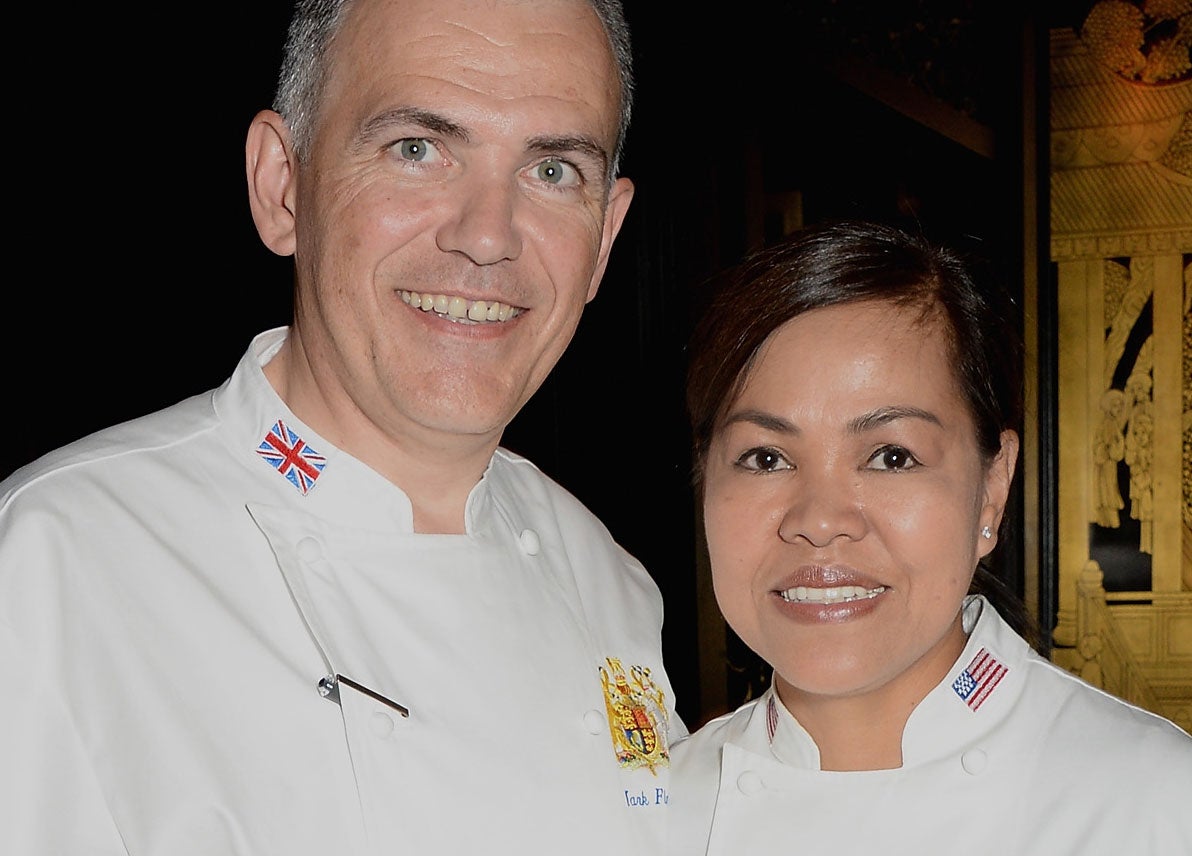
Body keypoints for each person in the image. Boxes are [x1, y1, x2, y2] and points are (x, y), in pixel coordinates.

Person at [0, 0, 686, 853]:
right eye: (417, 149)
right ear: (281, 185)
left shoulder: (612, 581)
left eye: (552, 171)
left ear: (607, 237)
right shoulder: (58, 559)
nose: (487, 236)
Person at [667, 220, 1192, 855]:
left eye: (891, 456)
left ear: (992, 486)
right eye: (765, 459)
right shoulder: (649, 812)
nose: (820, 518)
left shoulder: (1152, 803)